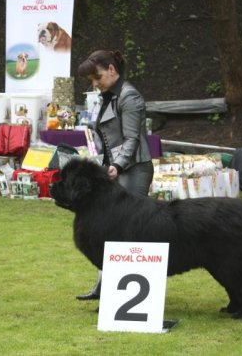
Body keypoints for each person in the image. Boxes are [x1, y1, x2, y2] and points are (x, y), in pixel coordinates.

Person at [75, 49, 153, 301]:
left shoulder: (129, 97)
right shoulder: (109, 96)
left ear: (111, 69)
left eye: (97, 77)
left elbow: (132, 138)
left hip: (134, 170)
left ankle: (129, 289)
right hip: (115, 169)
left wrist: (117, 165)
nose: (95, 84)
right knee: (106, 228)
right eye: (92, 81)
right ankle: (104, 286)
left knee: (128, 230)